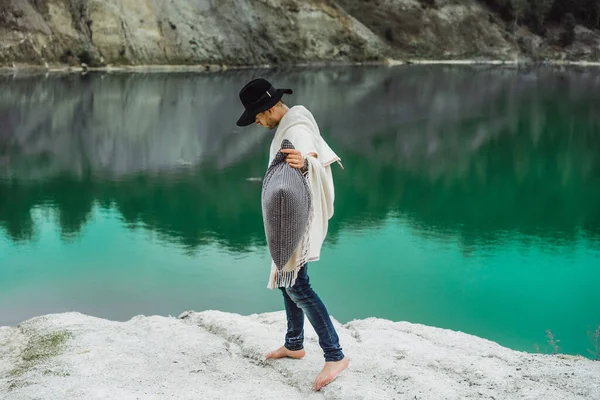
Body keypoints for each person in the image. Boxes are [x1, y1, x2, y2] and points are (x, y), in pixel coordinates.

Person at [236, 78, 349, 391]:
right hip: (294, 217)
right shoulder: (292, 122)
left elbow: (311, 158)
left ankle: (335, 354)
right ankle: (294, 344)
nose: (257, 121)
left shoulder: (295, 131)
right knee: (288, 280)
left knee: (298, 285)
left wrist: (305, 164)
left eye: (258, 116)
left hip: (298, 219)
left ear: (271, 108)